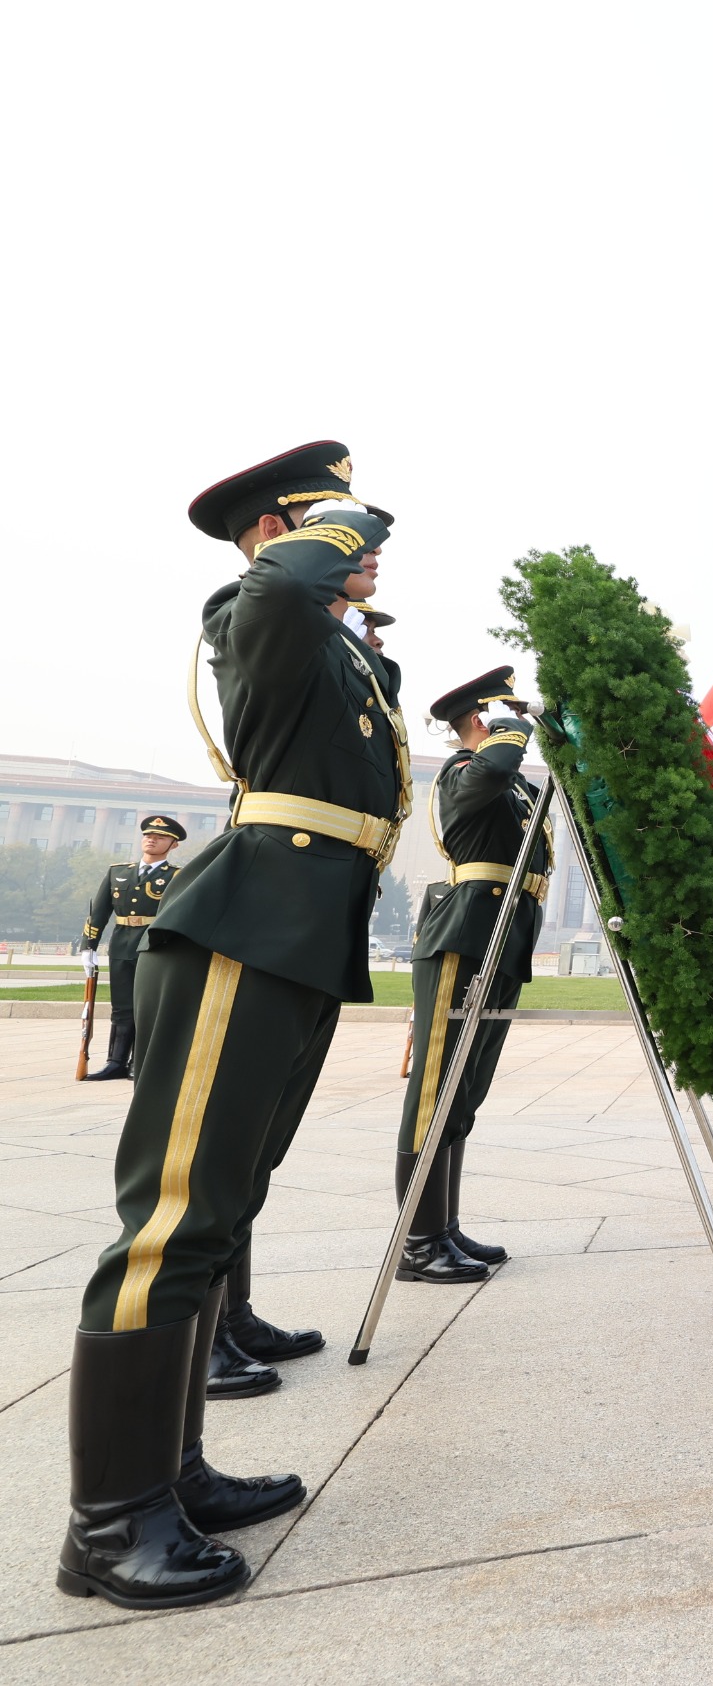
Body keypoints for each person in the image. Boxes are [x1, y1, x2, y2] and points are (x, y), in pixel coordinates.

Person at [59, 443, 404, 1609]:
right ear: (279, 529)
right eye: (337, 527)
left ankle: (174, 1473)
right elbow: (274, 588)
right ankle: (109, 1525)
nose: (365, 551)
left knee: (223, 1207)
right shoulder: (251, 606)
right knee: (172, 1217)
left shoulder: (341, 650)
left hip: (299, 933)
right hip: (242, 930)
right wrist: (348, 524)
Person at [395, 668, 551, 1290]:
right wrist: (513, 726)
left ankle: (444, 1227)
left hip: (502, 934)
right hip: (463, 936)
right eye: (503, 715)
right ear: (480, 721)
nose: (517, 726)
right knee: (435, 1088)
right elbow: (496, 765)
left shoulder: (504, 787)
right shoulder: (464, 773)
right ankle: (418, 1241)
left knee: (465, 1091)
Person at [78, 815, 189, 1081]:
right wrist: (88, 946)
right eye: (148, 835)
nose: (151, 840)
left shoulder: (177, 876)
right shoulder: (118, 871)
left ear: (173, 845)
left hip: (156, 947)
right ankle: (115, 1062)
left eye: (160, 837)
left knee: (148, 1007)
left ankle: (138, 1064)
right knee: (122, 1006)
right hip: (121, 944)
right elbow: (100, 911)